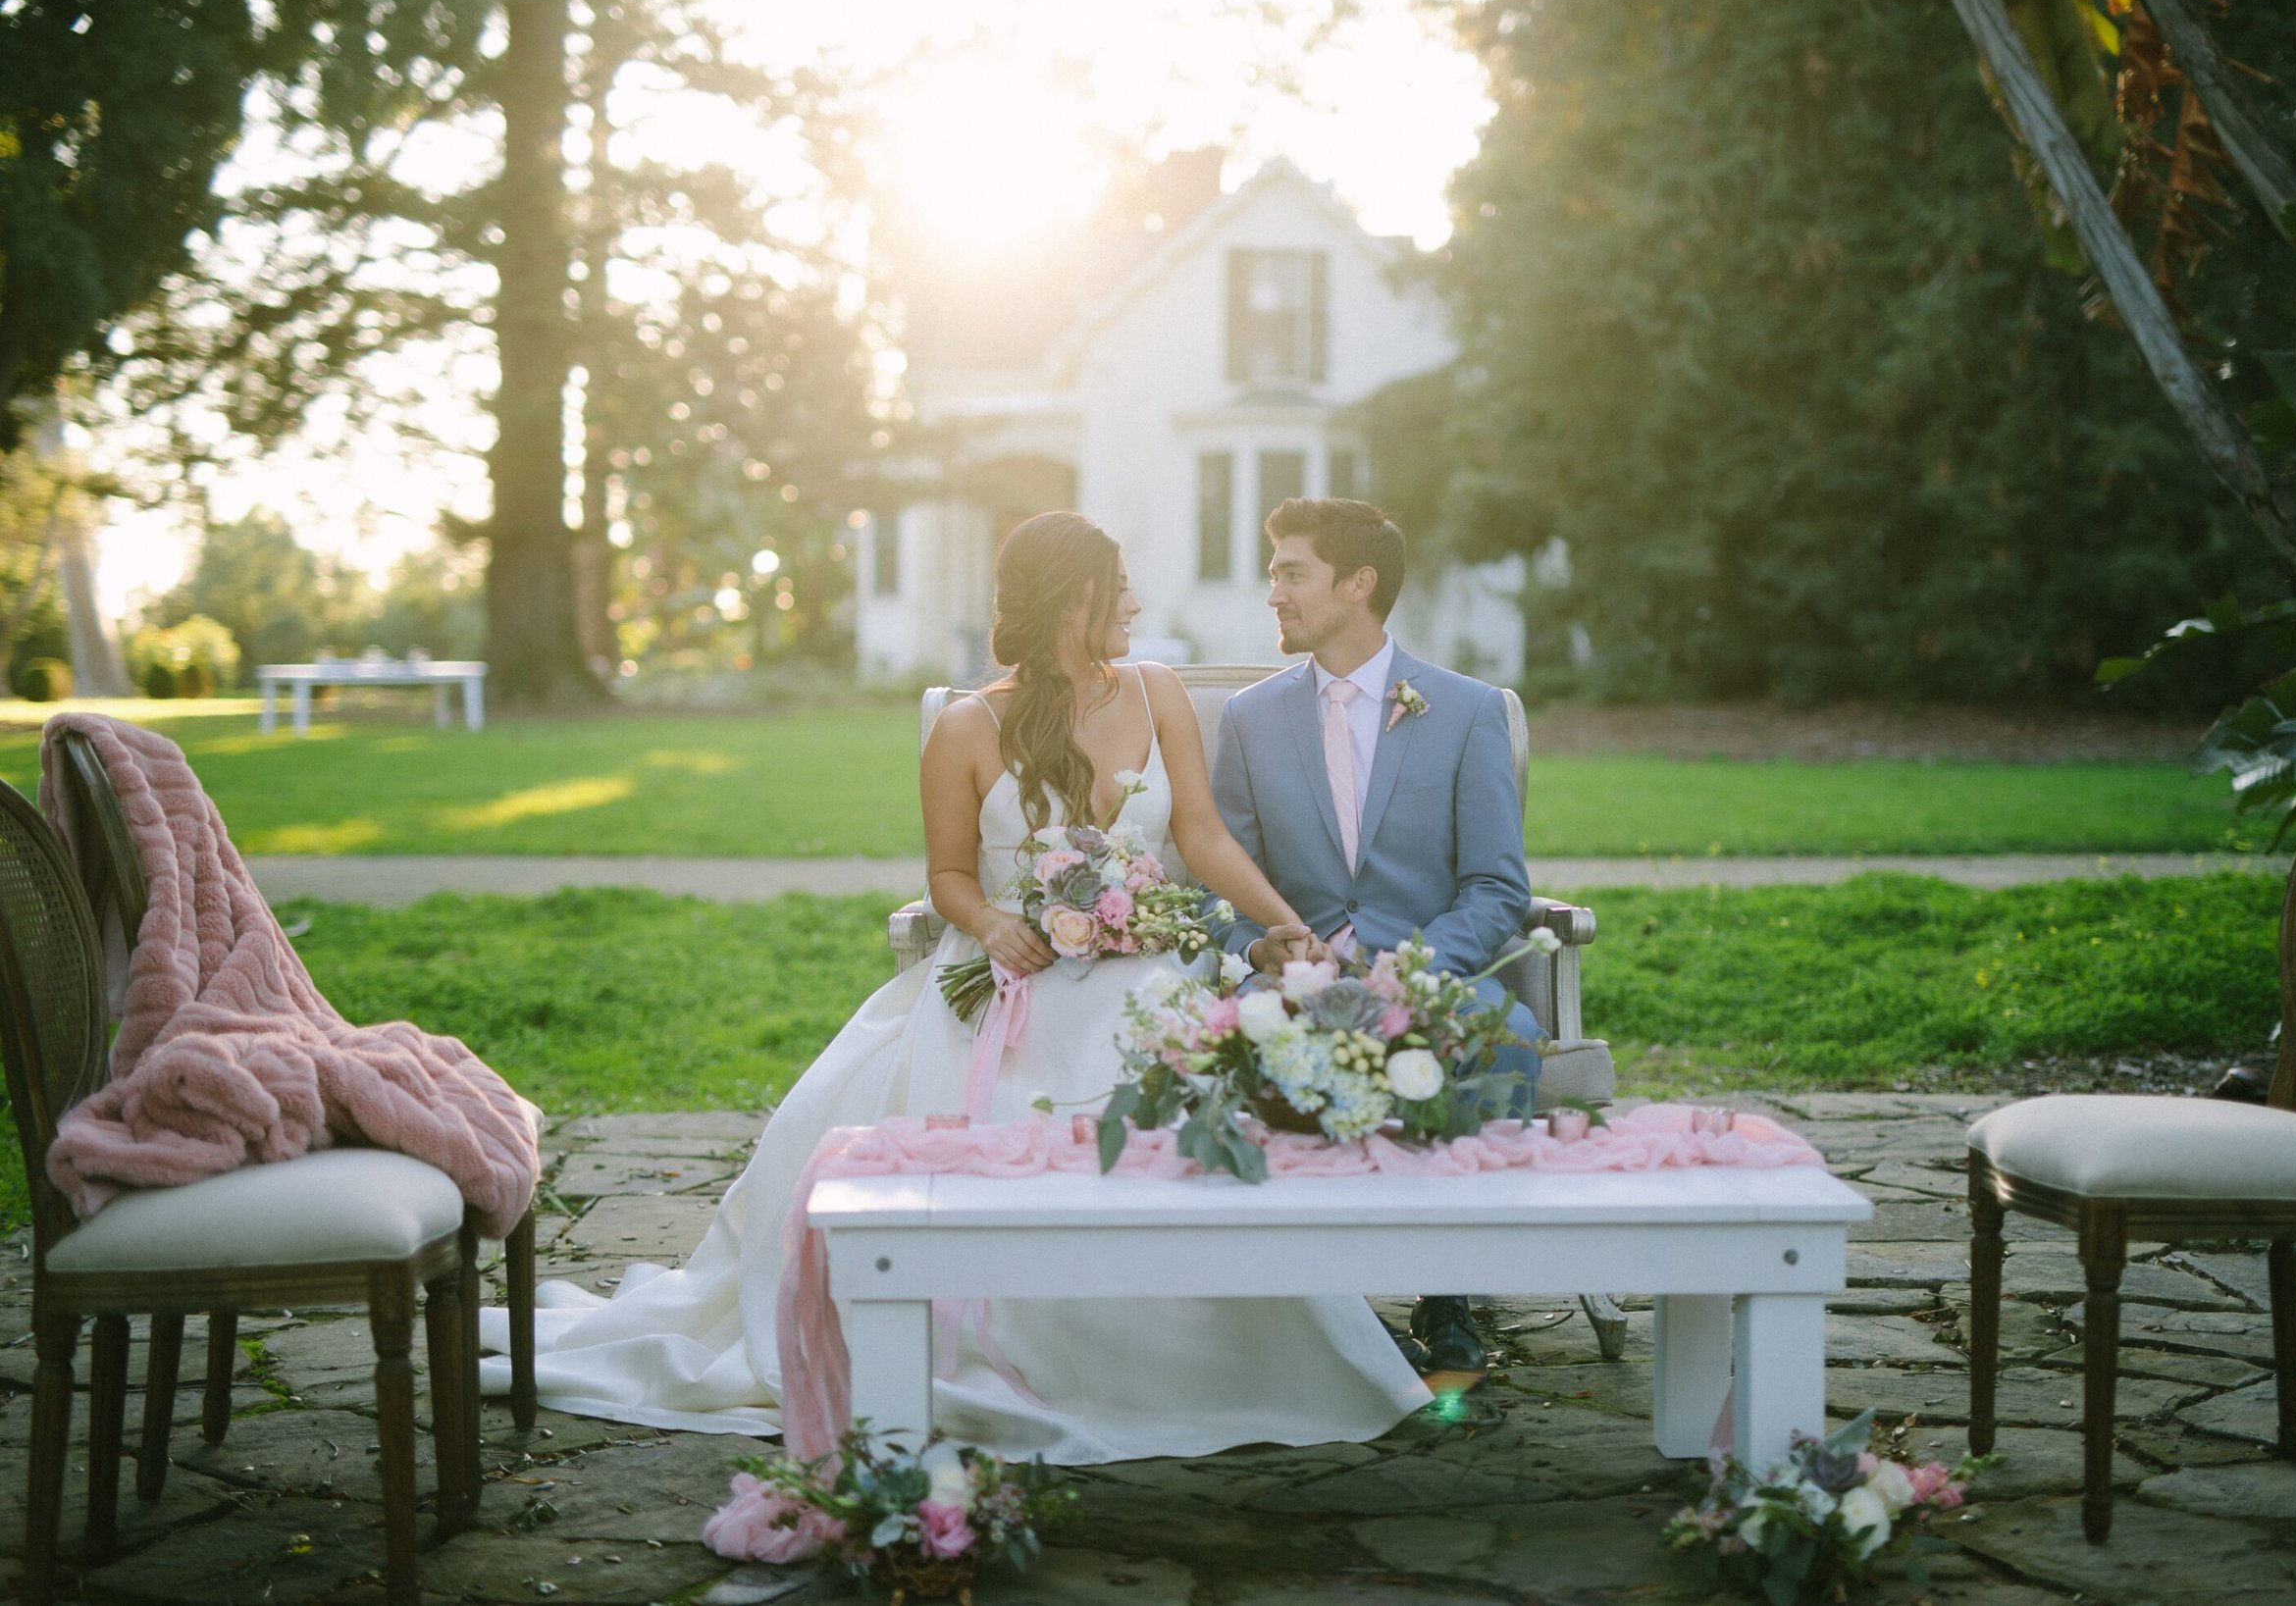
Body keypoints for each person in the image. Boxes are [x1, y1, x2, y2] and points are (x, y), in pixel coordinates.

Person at [478, 511, 1428, 1461]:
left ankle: (1213, 1351)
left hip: (1144, 969)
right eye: (1117, 585)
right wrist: (994, 924)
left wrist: (1286, 925)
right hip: (1007, 975)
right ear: (1068, 599)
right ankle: (1005, 1342)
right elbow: (948, 877)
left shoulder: (1156, 691)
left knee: (1170, 1073)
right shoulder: (969, 725)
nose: (1136, 601)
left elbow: (1204, 837)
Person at [1210, 496, 1543, 1379]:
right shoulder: (1248, 720)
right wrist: (1260, 948)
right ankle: (1332, 1300)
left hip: (1427, 968)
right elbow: (1221, 883)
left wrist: (1415, 967)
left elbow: (1497, 885)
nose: (1272, 591)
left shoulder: (1466, 711)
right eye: (1274, 571)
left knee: (1505, 1034)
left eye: (1291, 572)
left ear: (1358, 584)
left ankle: (1451, 1289)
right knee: (1249, 1044)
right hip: (1294, 986)